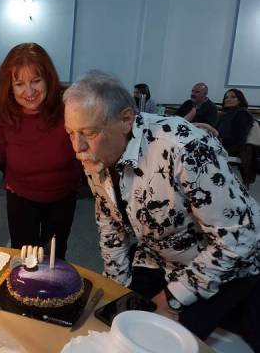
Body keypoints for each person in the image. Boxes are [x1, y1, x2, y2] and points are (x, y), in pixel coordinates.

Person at [63, 70, 260, 351]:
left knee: (160, 342)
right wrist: (118, 290)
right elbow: (111, 224)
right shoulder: (96, 151)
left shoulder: (186, 148)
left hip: (225, 266)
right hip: (158, 257)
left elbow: (239, 239)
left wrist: (172, 297)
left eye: (88, 133)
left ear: (126, 119)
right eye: (70, 133)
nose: (77, 147)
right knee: (112, 325)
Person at [0, 43, 82, 259]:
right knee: (24, 257)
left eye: (36, 81)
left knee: (55, 257)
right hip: (21, 199)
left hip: (62, 198)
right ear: (10, 86)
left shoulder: (69, 108)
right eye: (19, 84)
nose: (29, 92)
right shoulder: (6, 115)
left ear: (48, 78)